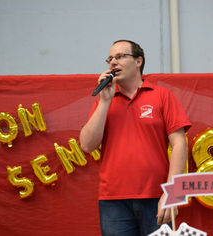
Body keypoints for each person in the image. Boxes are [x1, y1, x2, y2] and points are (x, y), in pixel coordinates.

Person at [79, 39, 191, 236]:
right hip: (113, 201)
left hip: (157, 196)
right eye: (110, 59)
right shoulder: (104, 102)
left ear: (138, 61)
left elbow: (179, 143)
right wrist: (104, 101)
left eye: (120, 56)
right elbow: (87, 145)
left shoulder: (162, 95)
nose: (113, 62)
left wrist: (172, 192)